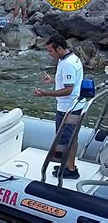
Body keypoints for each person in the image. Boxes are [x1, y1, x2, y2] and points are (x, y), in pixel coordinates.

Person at [34, 37, 84, 179]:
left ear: (60, 49)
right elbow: (68, 80)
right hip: (72, 105)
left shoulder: (68, 64)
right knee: (69, 137)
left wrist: (45, 94)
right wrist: (53, 80)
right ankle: (67, 163)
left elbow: (68, 89)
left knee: (68, 138)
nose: (49, 53)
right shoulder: (70, 58)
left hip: (68, 107)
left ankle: (71, 169)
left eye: (51, 50)